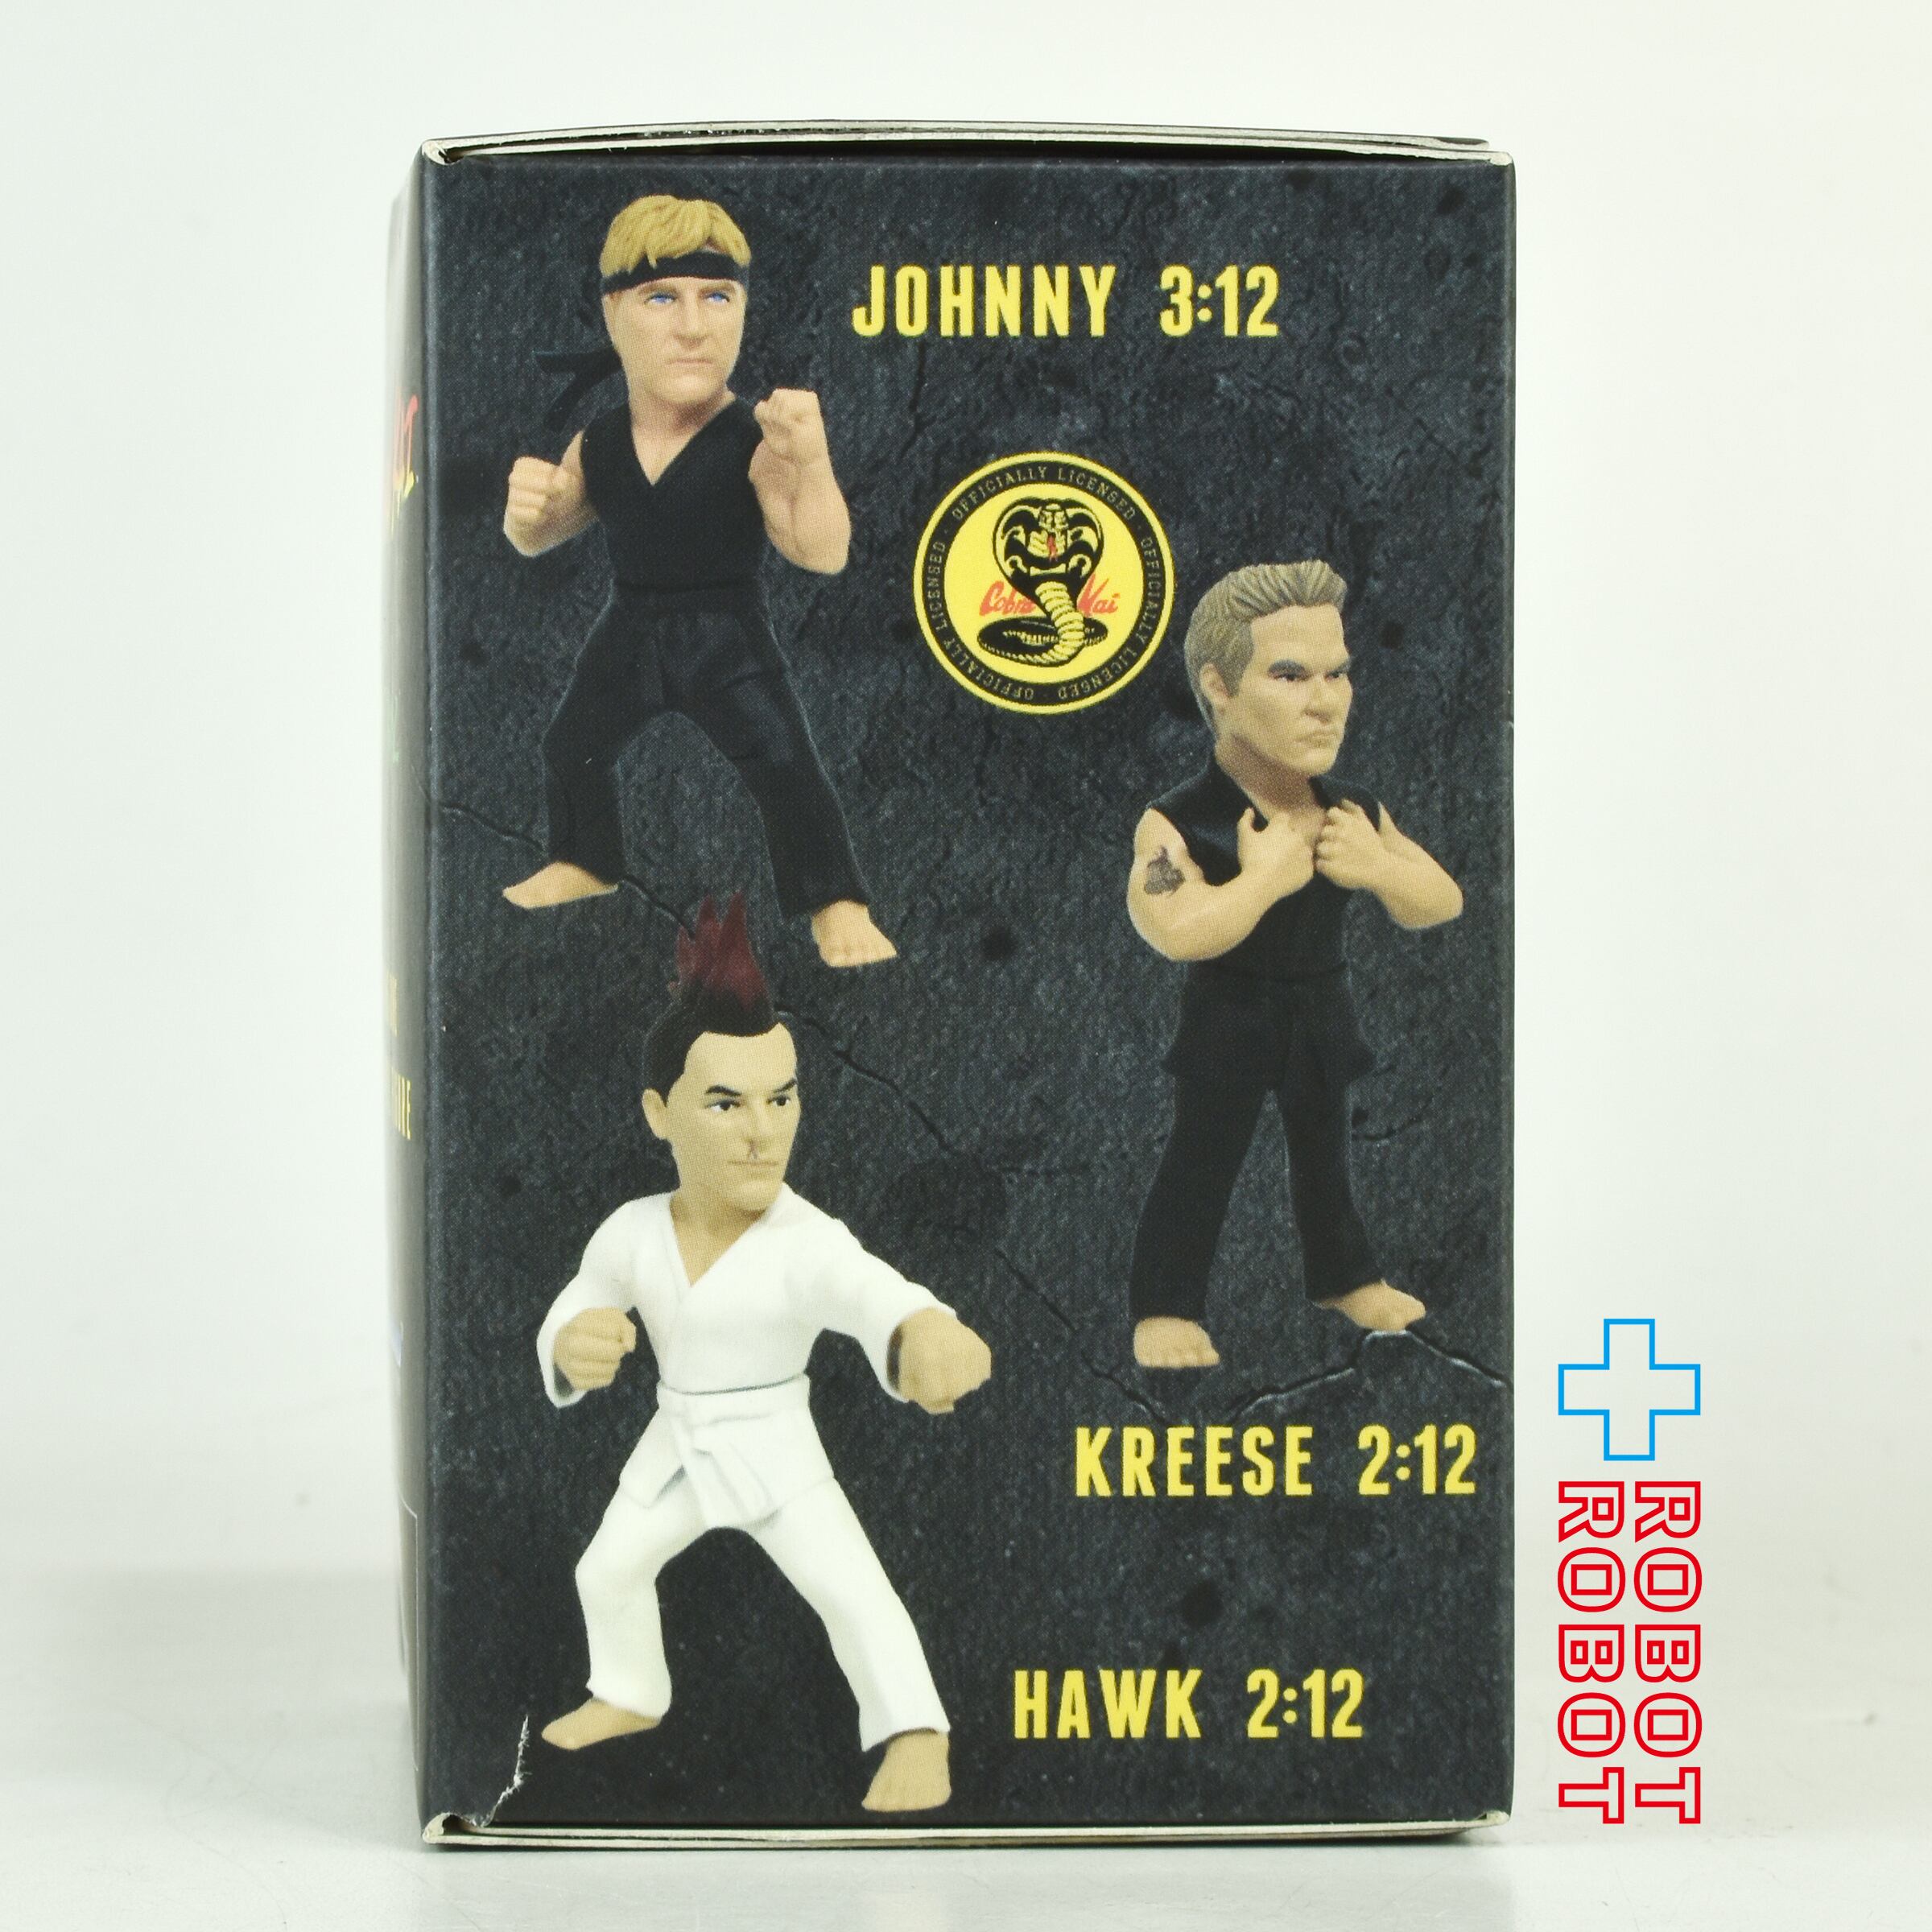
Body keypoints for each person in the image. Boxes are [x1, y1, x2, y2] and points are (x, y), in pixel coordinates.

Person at [535, 897, 993, 1810]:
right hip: (677, 1442)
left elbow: (871, 1291)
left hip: (776, 1446)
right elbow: (581, 1299)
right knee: (606, 1570)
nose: (763, 1131)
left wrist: (922, 1333)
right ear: (659, 1114)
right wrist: (570, 1344)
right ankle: (629, 1691)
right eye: (726, 1103)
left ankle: (916, 1732)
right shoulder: (633, 1231)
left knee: (852, 1591)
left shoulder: (804, 1241)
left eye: (782, 1099)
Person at [501, 193, 895, 968]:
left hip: (726, 634)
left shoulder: (754, 438)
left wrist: (813, 463)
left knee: (785, 764)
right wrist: (526, 512)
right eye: (661, 298)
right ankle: (584, 859)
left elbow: (822, 552)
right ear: (613, 315)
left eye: (717, 297)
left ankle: (835, 900)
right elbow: (540, 535)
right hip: (629, 627)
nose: (693, 326)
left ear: (743, 311)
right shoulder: (599, 441)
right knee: (568, 745)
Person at [1125, 561, 1463, 1372]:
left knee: (1326, 1155)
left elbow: (1442, 899)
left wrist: (1379, 869)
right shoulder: (1180, 821)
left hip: (1322, 1010)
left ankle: (1346, 1278)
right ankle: (1166, 1305)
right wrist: (1263, 883)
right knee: (1202, 1158)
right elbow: (1172, 927)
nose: (1325, 701)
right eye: (1289, 674)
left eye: (1337, 673)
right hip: (1230, 1017)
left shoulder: (1353, 810)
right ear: (1220, 685)